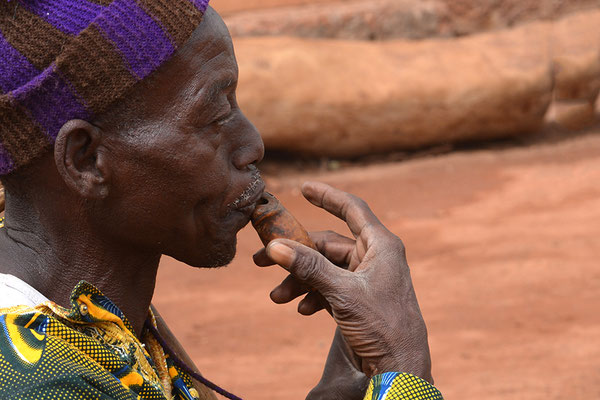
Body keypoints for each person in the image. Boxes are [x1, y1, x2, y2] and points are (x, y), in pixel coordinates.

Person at [0, 1, 443, 399]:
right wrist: (401, 363)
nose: (253, 144)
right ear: (87, 161)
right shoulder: (45, 383)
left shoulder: (92, 316)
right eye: (215, 116)